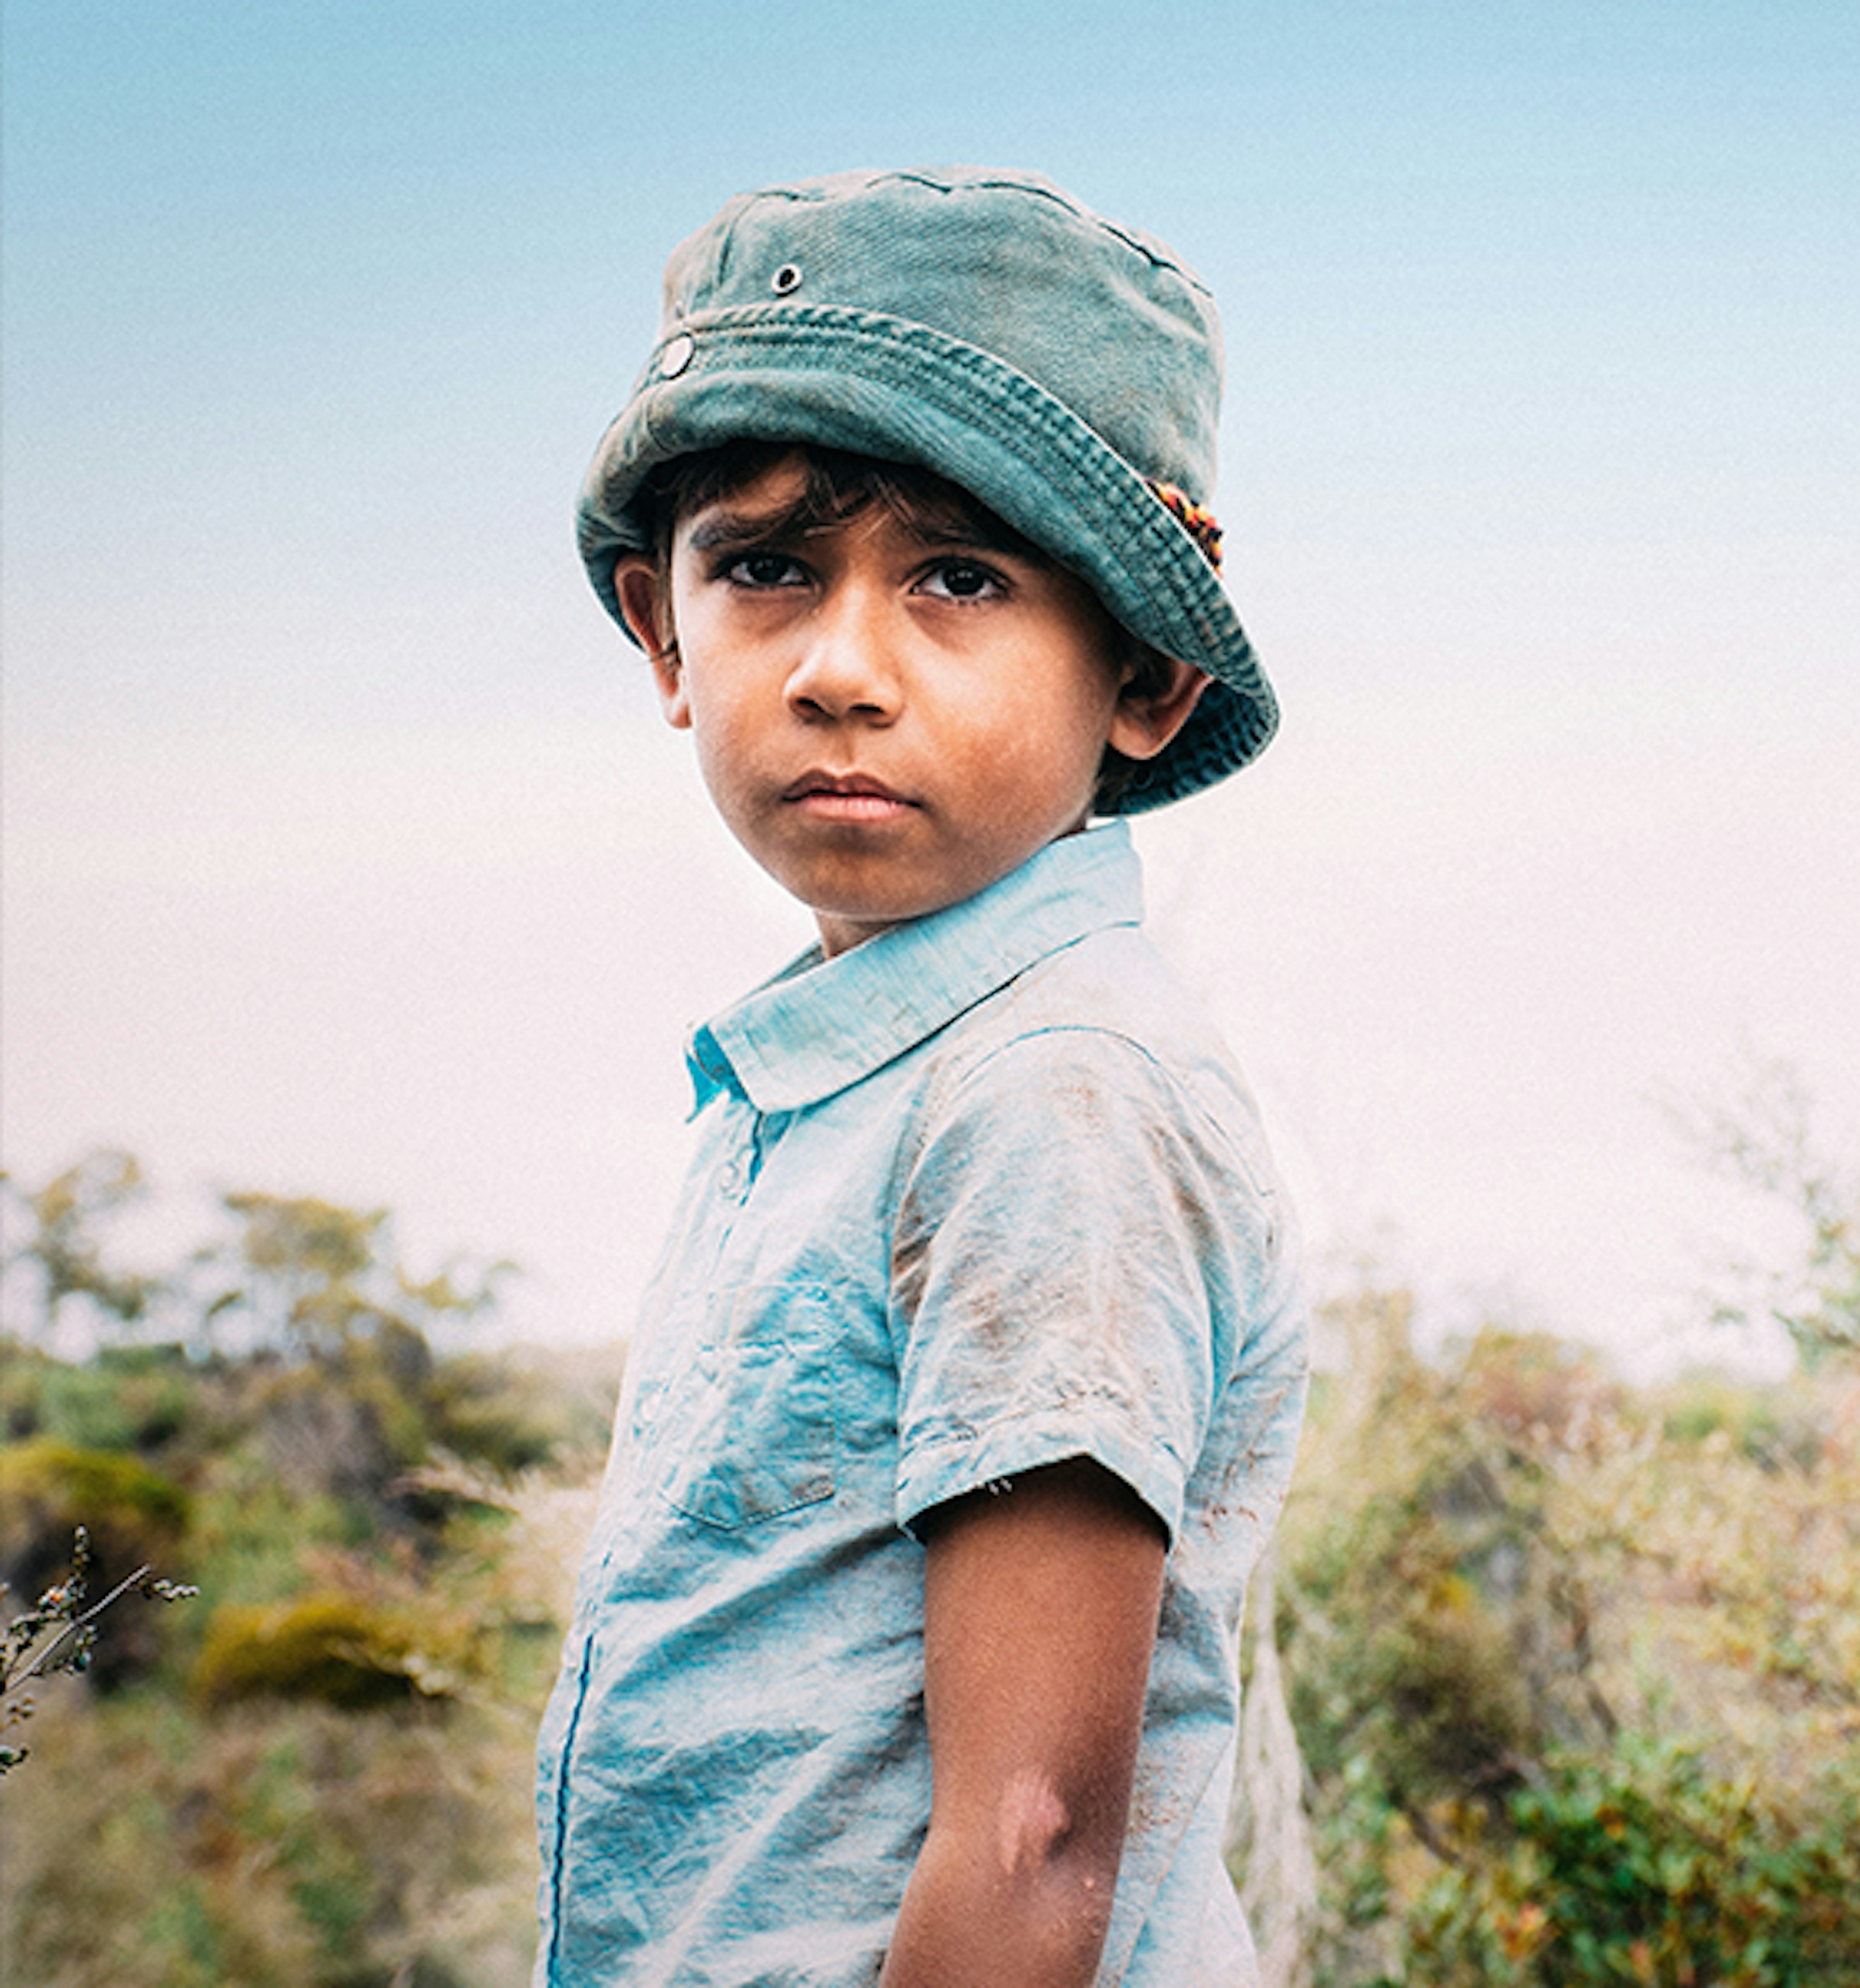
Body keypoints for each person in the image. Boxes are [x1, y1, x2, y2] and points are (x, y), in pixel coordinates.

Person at [535, 166, 1309, 1988]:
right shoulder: (830, 1078)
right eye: (766, 571)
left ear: (1149, 681)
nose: (842, 669)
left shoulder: (1052, 1090)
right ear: (665, 631)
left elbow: (1033, 1835)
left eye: (960, 577)